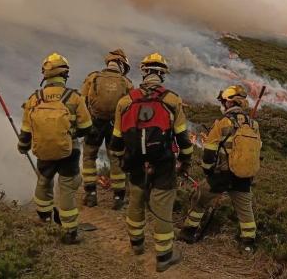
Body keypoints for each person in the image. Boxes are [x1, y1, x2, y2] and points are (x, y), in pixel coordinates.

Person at [110, 52, 193, 272]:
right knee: (162, 207)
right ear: (162, 74)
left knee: (136, 201)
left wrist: (122, 159)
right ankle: (164, 257)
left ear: (144, 72)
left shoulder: (126, 101)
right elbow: (184, 139)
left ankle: (136, 245)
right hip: (164, 162)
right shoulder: (172, 100)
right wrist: (185, 162)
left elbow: (116, 140)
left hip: (136, 161)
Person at [18, 53, 93, 244]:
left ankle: (43, 220)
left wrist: (23, 146)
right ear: (65, 74)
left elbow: (26, 130)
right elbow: (86, 127)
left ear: (45, 74)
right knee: (67, 188)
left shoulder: (35, 98)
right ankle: (70, 232)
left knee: (43, 182)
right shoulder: (74, 97)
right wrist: (70, 133)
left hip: (43, 149)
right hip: (69, 151)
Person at [178, 85, 259, 253]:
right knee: (245, 211)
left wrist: (208, 171)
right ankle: (248, 244)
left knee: (199, 197)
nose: (223, 104)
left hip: (222, 175)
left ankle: (188, 232)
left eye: (224, 101)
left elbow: (209, 151)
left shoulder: (223, 123)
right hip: (244, 175)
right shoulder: (253, 124)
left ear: (230, 103)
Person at [81, 49, 133, 210]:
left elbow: (82, 102)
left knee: (89, 157)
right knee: (116, 159)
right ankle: (118, 197)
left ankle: (90, 195)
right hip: (115, 127)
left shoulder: (93, 78)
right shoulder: (127, 83)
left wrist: (84, 124)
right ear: (122, 64)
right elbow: (131, 108)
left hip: (94, 124)